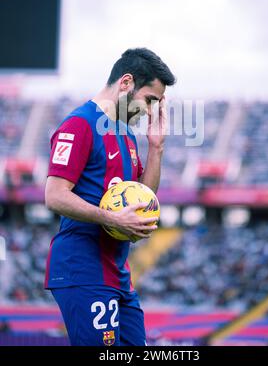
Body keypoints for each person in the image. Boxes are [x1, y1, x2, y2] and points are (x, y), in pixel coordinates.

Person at [44, 48, 176, 346]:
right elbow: (54, 196)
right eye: (150, 100)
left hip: (117, 271)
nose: (151, 110)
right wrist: (110, 217)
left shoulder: (126, 134)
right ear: (126, 82)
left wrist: (156, 147)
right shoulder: (79, 125)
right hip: (82, 267)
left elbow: (144, 197)